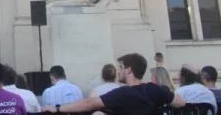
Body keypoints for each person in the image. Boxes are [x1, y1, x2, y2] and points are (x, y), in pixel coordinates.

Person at [41, 53, 185, 115]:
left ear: (128, 70)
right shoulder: (154, 90)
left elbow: (88, 104)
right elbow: (180, 102)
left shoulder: (122, 93)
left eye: (121, 68)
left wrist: (57, 108)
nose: (119, 72)